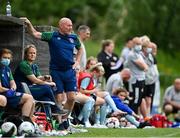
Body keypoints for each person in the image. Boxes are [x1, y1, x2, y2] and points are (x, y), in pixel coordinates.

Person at [21, 17, 83, 128]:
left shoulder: (74, 37)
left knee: (72, 98)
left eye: (71, 25)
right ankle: (59, 123)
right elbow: (35, 34)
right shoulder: (52, 35)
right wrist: (29, 24)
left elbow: (80, 49)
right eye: (68, 25)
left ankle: (65, 120)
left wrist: (77, 62)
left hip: (69, 70)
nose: (71, 27)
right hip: (56, 71)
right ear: (61, 26)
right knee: (58, 97)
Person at [14, 45, 67, 116]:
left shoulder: (34, 66)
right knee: (47, 88)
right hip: (21, 90)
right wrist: (49, 84)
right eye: (30, 53)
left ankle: (46, 121)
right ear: (26, 54)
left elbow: (39, 77)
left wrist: (45, 77)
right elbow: (35, 81)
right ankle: (55, 108)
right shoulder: (24, 64)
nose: (32, 55)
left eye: (34, 53)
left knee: (47, 99)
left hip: (30, 89)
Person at [78, 63, 126, 127]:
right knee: (103, 101)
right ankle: (99, 122)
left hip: (88, 95)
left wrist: (94, 90)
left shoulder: (90, 77)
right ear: (95, 72)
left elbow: (88, 89)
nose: (99, 77)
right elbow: (81, 90)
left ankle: (101, 122)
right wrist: (93, 90)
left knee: (105, 95)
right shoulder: (87, 77)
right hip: (82, 95)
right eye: (98, 75)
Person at [0, 48, 34, 120]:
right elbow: (0, 88)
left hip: (8, 92)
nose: (7, 60)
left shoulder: (7, 69)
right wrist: (9, 90)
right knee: (3, 99)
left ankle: (25, 121)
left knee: (30, 99)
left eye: (9, 58)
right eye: (5, 57)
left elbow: (13, 83)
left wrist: (12, 89)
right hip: (3, 93)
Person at [126, 37, 148, 118]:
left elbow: (146, 66)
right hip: (136, 80)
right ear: (133, 44)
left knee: (139, 100)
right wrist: (145, 66)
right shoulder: (132, 54)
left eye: (140, 44)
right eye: (137, 44)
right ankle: (129, 118)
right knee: (135, 100)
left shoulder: (139, 54)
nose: (139, 46)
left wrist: (145, 66)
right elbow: (143, 67)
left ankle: (133, 118)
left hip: (141, 79)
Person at [141, 41, 158, 116]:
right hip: (143, 80)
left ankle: (148, 116)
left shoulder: (151, 56)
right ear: (144, 48)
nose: (151, 49)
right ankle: (141, 116)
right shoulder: (140, 56)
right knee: (142, 100)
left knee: (149, 100)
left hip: (151, 81)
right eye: (150, 48)